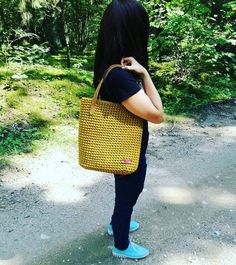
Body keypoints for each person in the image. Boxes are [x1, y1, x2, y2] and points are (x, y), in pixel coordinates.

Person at [93, 0, 164, 260]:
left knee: (125, 190)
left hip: (122, 145)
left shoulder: (109, 66)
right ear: (134, 30)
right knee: (129, 193)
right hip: (128, 149)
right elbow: (157, 114)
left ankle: (116, 225)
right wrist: (145, 74)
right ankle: (121, 244)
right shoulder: (120, 77)